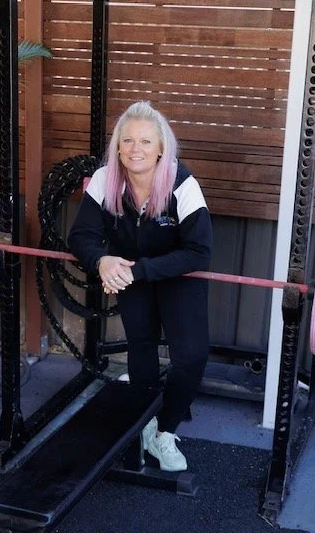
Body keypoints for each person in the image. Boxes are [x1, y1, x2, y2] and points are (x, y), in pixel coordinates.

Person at [68, 100, 213, 472]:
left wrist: (140, 270)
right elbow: (81, 235)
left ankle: (166, 430)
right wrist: (102, 261)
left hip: (178, 276)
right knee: (142, 346)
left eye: (146, 142)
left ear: (161, 147)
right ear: (118, 147)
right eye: (128, 141)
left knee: (191, 356)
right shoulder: (105, 180)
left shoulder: (183, 184)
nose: (136, 149)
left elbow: (199, 251)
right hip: (132, 275)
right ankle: (146, 424)